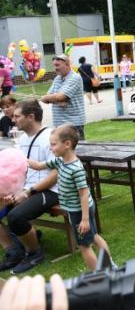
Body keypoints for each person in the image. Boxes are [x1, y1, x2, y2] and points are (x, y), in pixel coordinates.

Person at [27, 125, 113, 271]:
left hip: (80, 211)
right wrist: (20, 159)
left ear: (67, 144)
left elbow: (83, 194)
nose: (50, 148)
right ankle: (109, 267)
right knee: (94, 236)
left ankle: (99, 276)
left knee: (84, 246)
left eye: (53, 144)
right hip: (78, 209)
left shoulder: (75, 169)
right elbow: (39, 165)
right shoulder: (59, 161)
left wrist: (84, 220)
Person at [0, 99, 58, 274]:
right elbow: (21, 170)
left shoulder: (51, 137)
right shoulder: (23, 138)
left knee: (16, 216)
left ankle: (34, 253)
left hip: (51, 190)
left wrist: (27, 192)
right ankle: (14, 251)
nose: (13, 120)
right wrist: (12, 192)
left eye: (17, 116)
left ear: (31, 117)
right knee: (5, 208)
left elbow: (56, 174)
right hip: (27, 189)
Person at [40, 55, 86, 138]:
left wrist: (52, 98)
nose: (55, 68)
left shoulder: (75, 78)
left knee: (77, 146)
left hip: (73, 124)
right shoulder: (57, 79)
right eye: (54, 65)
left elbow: (60, 96)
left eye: (57, 65)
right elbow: (46, 98)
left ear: (67, 65)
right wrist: (56, 100)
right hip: (59, 124)